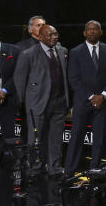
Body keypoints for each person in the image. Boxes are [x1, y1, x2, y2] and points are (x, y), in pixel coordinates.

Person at [13, 24, 69, 177]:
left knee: (56, 139)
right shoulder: (28, 54)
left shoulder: (63, 51)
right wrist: (23, 103)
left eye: (55, 34)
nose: (54, 37)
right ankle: (35, 168)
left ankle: (54, 168)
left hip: (59, 102)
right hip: (37, 104)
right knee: (36, 139)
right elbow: (19, 80)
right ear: (41, 37)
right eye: (50, 35)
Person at [65, 21, 106, 177]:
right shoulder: (75, 52)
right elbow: (73, 79)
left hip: (103, 102)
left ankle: (95, 171)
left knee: (99, 139)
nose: (92, 32)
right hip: (82, 102)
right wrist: (91, 96)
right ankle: (70, 171)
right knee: (76, 138)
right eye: (89, 29)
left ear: (101, 32)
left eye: (95, 29)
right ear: (84, 33)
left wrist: (103, 95)